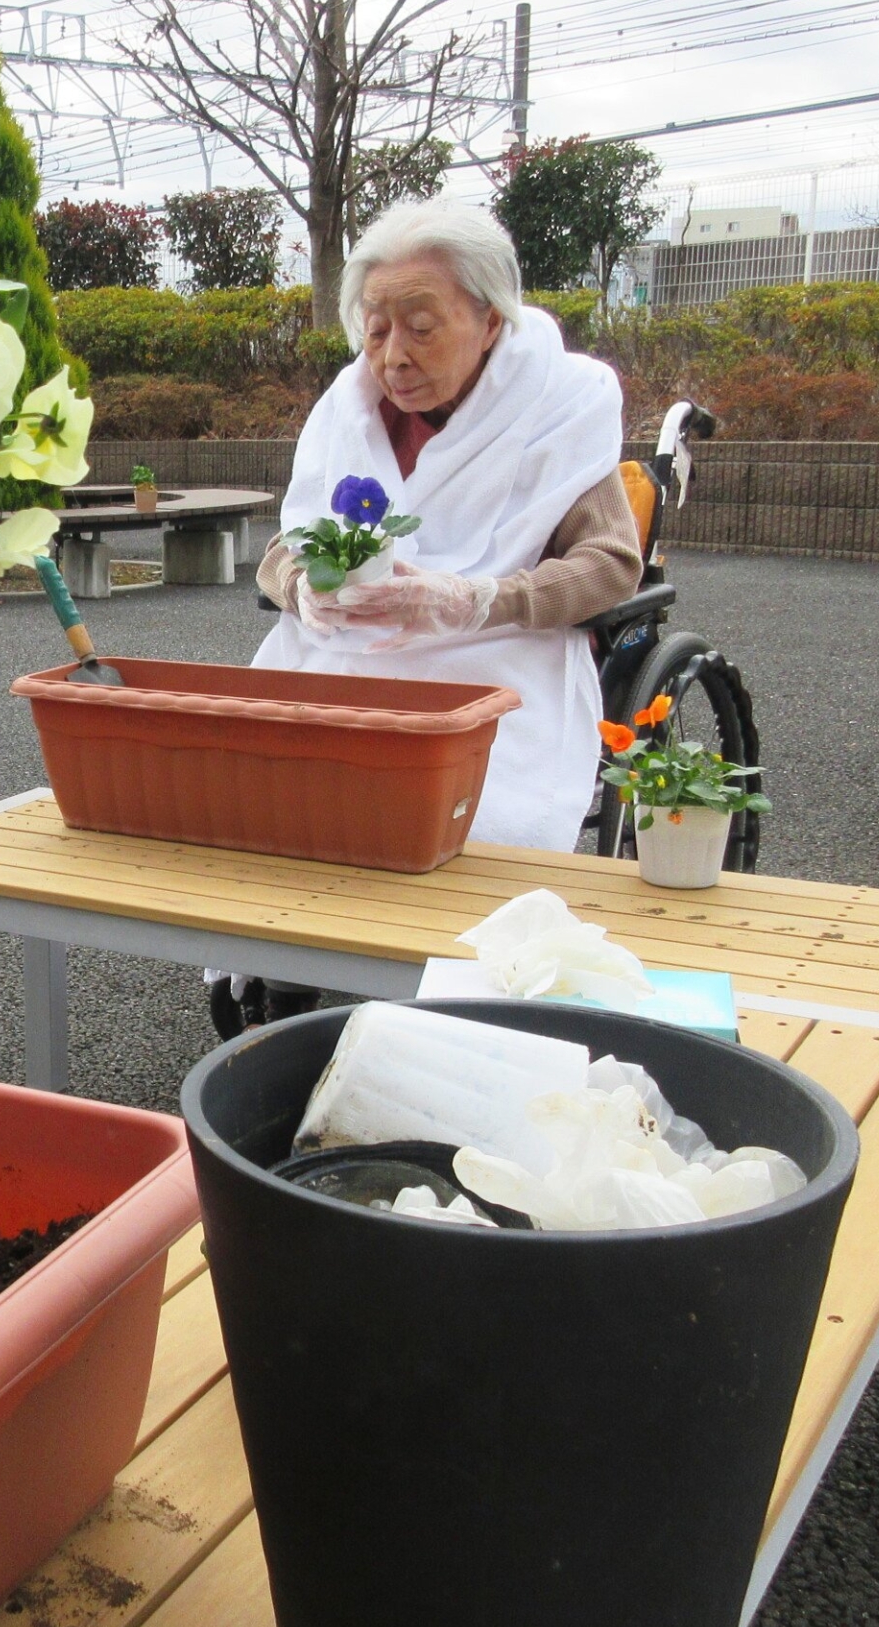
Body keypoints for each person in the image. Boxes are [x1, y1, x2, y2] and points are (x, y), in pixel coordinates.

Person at [222, 199, 637, 1035]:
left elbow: (611, 566)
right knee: (251, 791)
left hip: (494, 664)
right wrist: (299, 586)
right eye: (375, 331)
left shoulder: (564, 401)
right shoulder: (345, 406)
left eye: (421, 326)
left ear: (489, 320)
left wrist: (481, 597)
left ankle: (461, 1006)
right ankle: (289, 973)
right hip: (345, 657)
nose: (393, 357)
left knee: (488, 819)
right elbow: (283, 548)